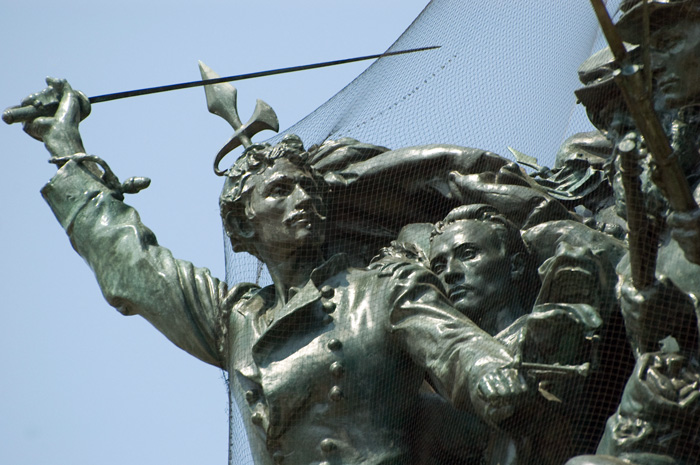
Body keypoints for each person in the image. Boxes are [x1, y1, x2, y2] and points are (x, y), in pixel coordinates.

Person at [20, 78, 531, 465]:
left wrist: (487, 367)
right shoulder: (235, 320)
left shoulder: (381, 286)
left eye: (307, 187)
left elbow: (452, 342)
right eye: (280, 191)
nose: (303, 198)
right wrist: (66, 149)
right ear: (244, 227)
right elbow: (133, 267)